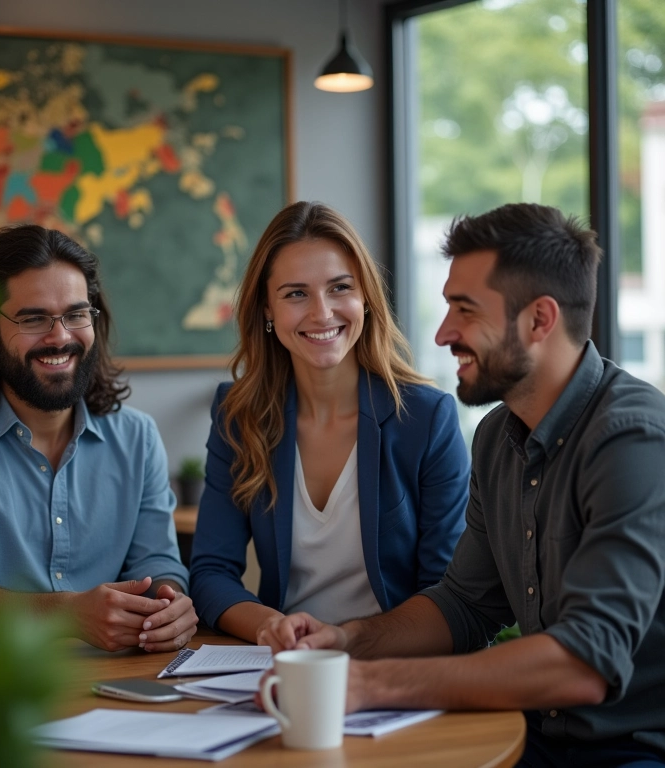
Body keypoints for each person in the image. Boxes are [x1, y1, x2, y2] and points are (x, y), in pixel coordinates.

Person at [260, 203, 665, 766]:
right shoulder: (499, 434)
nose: (443, 332)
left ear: (539, 321)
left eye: (464, 310)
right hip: (531, 738)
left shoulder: (633, 438)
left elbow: (584, 664)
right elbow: (463, 604)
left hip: (633, 752)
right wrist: (347, 640)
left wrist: (371, 686)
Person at [189, 201, 469, 644]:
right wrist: (269, 626)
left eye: (340, 288)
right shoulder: (238, 415)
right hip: (287, 663)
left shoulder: (427, 418)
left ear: (365, 299)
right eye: (296, 294)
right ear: (267, 308)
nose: (321, 313)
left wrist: (351, 640)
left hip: (395, 663)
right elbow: (210, 573)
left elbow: (448, 592)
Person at [0, 224, 198, 653]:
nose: (60, 337)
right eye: (34, 318)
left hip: (116, 680)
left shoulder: (137, 437)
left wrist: (169, 602)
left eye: (76, 314)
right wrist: (66, 614)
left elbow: (158, 560)